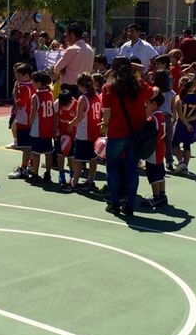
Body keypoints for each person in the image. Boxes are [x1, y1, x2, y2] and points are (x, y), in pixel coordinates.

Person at [100, 56, 153, 216]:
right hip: (136, 134)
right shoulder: (139, 85)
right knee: (132, 169)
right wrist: (133, 66)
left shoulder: (108, 87)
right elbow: (151, 89)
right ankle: (129, 204)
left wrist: (104, 126)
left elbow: (107, 115)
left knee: (113, 168)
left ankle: (115, 203)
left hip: (116, 133)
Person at [26, 70, 57, 184]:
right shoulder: (50, 94)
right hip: (48, 127)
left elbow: (33, 113)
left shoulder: (36, 96)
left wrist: (29, 125)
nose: (32, 82)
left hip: (37, 129)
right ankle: (48, 173)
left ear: (39, 83)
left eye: (33, 81)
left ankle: (35, 174)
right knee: (48, 152)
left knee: (36, 153)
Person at [8, 63, 36, 180]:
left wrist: (15, 95)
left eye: (19, 75)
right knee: (31, 145)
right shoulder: (33, 86)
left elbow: (20, 103)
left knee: (25, 146)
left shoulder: (23, 87)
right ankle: (31, 164)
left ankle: (23, 168)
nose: (17, 78)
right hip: (31, 119)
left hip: (24, 120)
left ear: (26, 76)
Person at [53, 23, 95, 98]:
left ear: (72, 35)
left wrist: (63, 70)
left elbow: (56, 69)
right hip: (86, 88)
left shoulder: (72, 49)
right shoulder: (90, 49)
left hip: (70, 90)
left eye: (67, 35)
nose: (66, 38)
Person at [143, 89, 168, 210]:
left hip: (153, 150)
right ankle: (162, 194)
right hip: (161, 148)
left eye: (147, 103)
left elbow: (148, 134)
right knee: (160, 172)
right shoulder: (161, 115)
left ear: (154, 104)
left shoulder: (152, 119)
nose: (145, 105)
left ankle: (156, 197)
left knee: (152, 174)